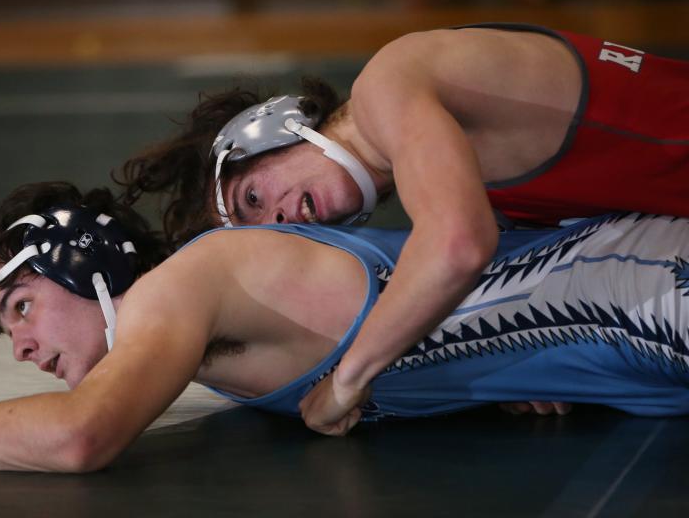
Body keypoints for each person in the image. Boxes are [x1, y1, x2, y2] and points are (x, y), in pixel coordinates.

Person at [0, 181, 689, 473]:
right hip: (626, 346)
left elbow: (79, 436)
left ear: (86, 270)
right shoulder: (200, 340)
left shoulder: (179, 289)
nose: (18, 344)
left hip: (637, 289)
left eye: (19, 307)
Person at [117, 22, 689, 433]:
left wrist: (347, 380)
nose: (281, 221)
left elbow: (458, 247)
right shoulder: (470, 167)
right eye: (263, 229)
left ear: (272, 132)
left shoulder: (387, 84)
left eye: (253, 197)